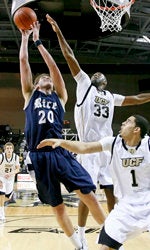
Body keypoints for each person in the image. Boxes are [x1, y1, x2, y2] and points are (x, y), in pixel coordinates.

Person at [45, 14, 150, 249]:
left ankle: (115, 231)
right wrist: (58, 32)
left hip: (109, 148)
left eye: (99, 75)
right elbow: (69, 56)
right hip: (90, 148)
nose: (96, 75)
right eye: (94, 75)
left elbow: (135, 99)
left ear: (104, 82)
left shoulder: (110, 97)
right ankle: (81, 233)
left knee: (112, 192)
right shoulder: (84, 86)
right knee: (87, 191)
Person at [19, 21, 106, 250]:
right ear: (36, 85)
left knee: (88, 192)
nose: (47, 77)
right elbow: (23, 62)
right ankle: (79, 246)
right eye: (42, 78)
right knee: (58, 207)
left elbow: (55, 69)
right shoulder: (30, 95)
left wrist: (39, 42)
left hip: (60, 152)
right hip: (39, 156)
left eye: (48, 77)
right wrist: (25, 38)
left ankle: (112, 239)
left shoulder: (60, 97)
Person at [37, 114, 150, 250]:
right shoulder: (113, 143)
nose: (122, 124)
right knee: (105, 247)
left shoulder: (147, 145)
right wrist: (62, 142)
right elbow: (84, 147)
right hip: (124, 209)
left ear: (136, 129)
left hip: (148, 204)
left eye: (128, 122)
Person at [0, 142, 20, 222]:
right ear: (5, 150)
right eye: (7, 148)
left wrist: (11, 173)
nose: (9, 150)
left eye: (10, 148)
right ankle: (2, 215)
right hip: (1, 178)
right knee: (1, 194)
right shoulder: (1, 157)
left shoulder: (16, 157)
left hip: (10, 179)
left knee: (7, 197)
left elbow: (18, 169)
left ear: (13, 150)